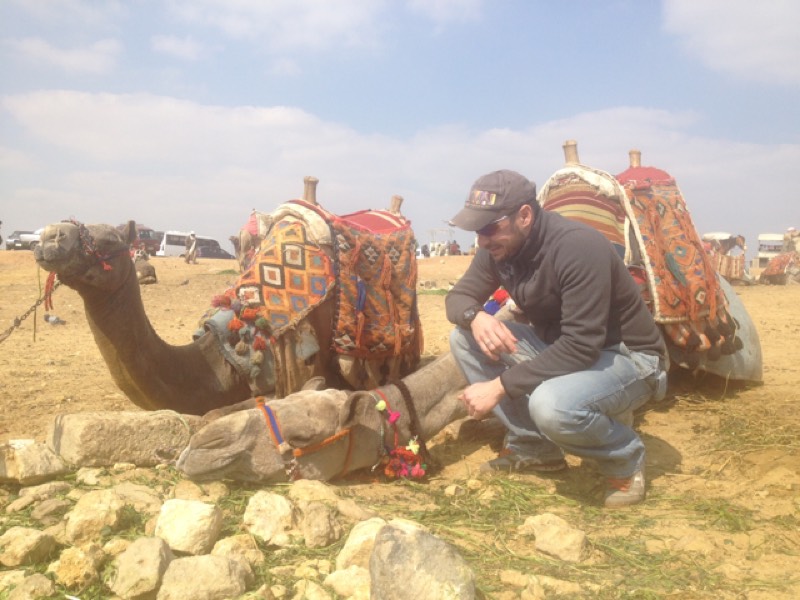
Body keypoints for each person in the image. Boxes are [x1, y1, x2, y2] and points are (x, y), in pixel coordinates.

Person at [445, 169, 667, 508]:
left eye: (489, 228)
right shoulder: (499, 249)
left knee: (551, 406)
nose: (483, 240)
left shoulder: (577, 247)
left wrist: (499, 387)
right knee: (464, 338)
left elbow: (581, 345)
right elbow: (458, 298)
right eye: (477, 231)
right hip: (566, 348)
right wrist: (475, 317)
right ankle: (535, 448)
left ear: (524, 216)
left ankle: (624, 458)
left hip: (627, 357)